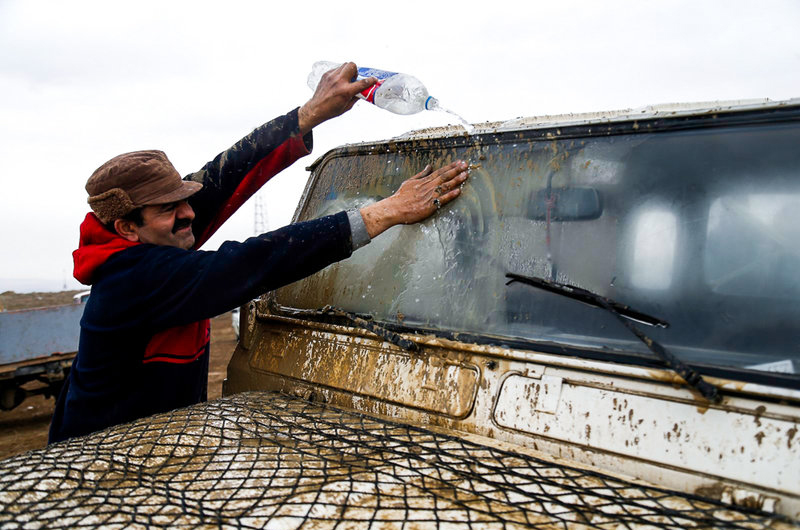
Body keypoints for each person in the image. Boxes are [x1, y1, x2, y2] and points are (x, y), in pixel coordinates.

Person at [48, 63, 468, 444]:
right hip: (103, 455)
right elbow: (253, 261)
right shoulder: (134, 279)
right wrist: (385, 212)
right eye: (169, 209)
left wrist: (311, 112)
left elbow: (224, 176)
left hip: (163, 438)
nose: (189, 214)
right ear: (126, 228)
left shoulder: (157, 231)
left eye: (184, 199)